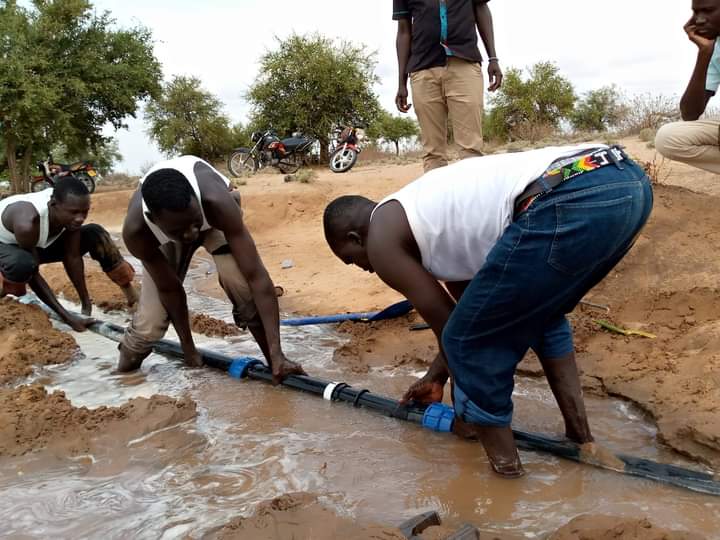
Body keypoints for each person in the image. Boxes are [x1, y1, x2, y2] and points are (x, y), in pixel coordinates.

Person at [323, 144, 653, 477]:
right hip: (625, 182)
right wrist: (436, 377)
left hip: (570, 196)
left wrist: (467, 418)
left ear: (355, 236)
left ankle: (506, 480)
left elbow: (457, 337)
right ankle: (582, 440)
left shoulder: (381, 238)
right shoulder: (429, 220)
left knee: (470, 345)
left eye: (350, 258)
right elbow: (469, 315)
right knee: (543, 318)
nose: (362, 268)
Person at [118, 155, 305, 383]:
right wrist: (189, 350)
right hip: (169, 234)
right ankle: (123, 375)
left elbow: (257, 276)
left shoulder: (217, 202)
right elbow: (170, 290)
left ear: (196, 201)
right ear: (153, 219)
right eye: (181, 230)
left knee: (241, 286)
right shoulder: (137, 231)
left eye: (194, 223)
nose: (192, 235)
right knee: (150, 323)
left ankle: (275, 362)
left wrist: (278, 355)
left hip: (213, 218)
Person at [0, 177, 138, 330]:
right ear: (54, 205)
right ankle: (7, 292)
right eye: (74, 213)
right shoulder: (28, 223)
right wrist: (67, 317)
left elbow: (72, 256)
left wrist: (86, 306)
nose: (80, 218)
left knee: (95, 234)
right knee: (23, 265)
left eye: (84, 212)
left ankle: (133, 298)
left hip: (37, 242)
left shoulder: (68, 211)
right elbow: (34, 273)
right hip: (6, 246)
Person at [394, 0, 502, 172]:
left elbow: (481, 8)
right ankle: (438, 198)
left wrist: (493, 58)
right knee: (433, 153)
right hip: (423, 70)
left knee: (470, 149)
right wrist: (402, 82)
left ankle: (472, 198)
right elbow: (404, 31)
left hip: (464, 65)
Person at [655, 0, 720, 174]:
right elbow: (690, 113)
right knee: (668, 138)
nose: (698, 20)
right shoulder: (716, 48)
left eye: (708, 11)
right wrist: (704, 53)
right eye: (696, 12)